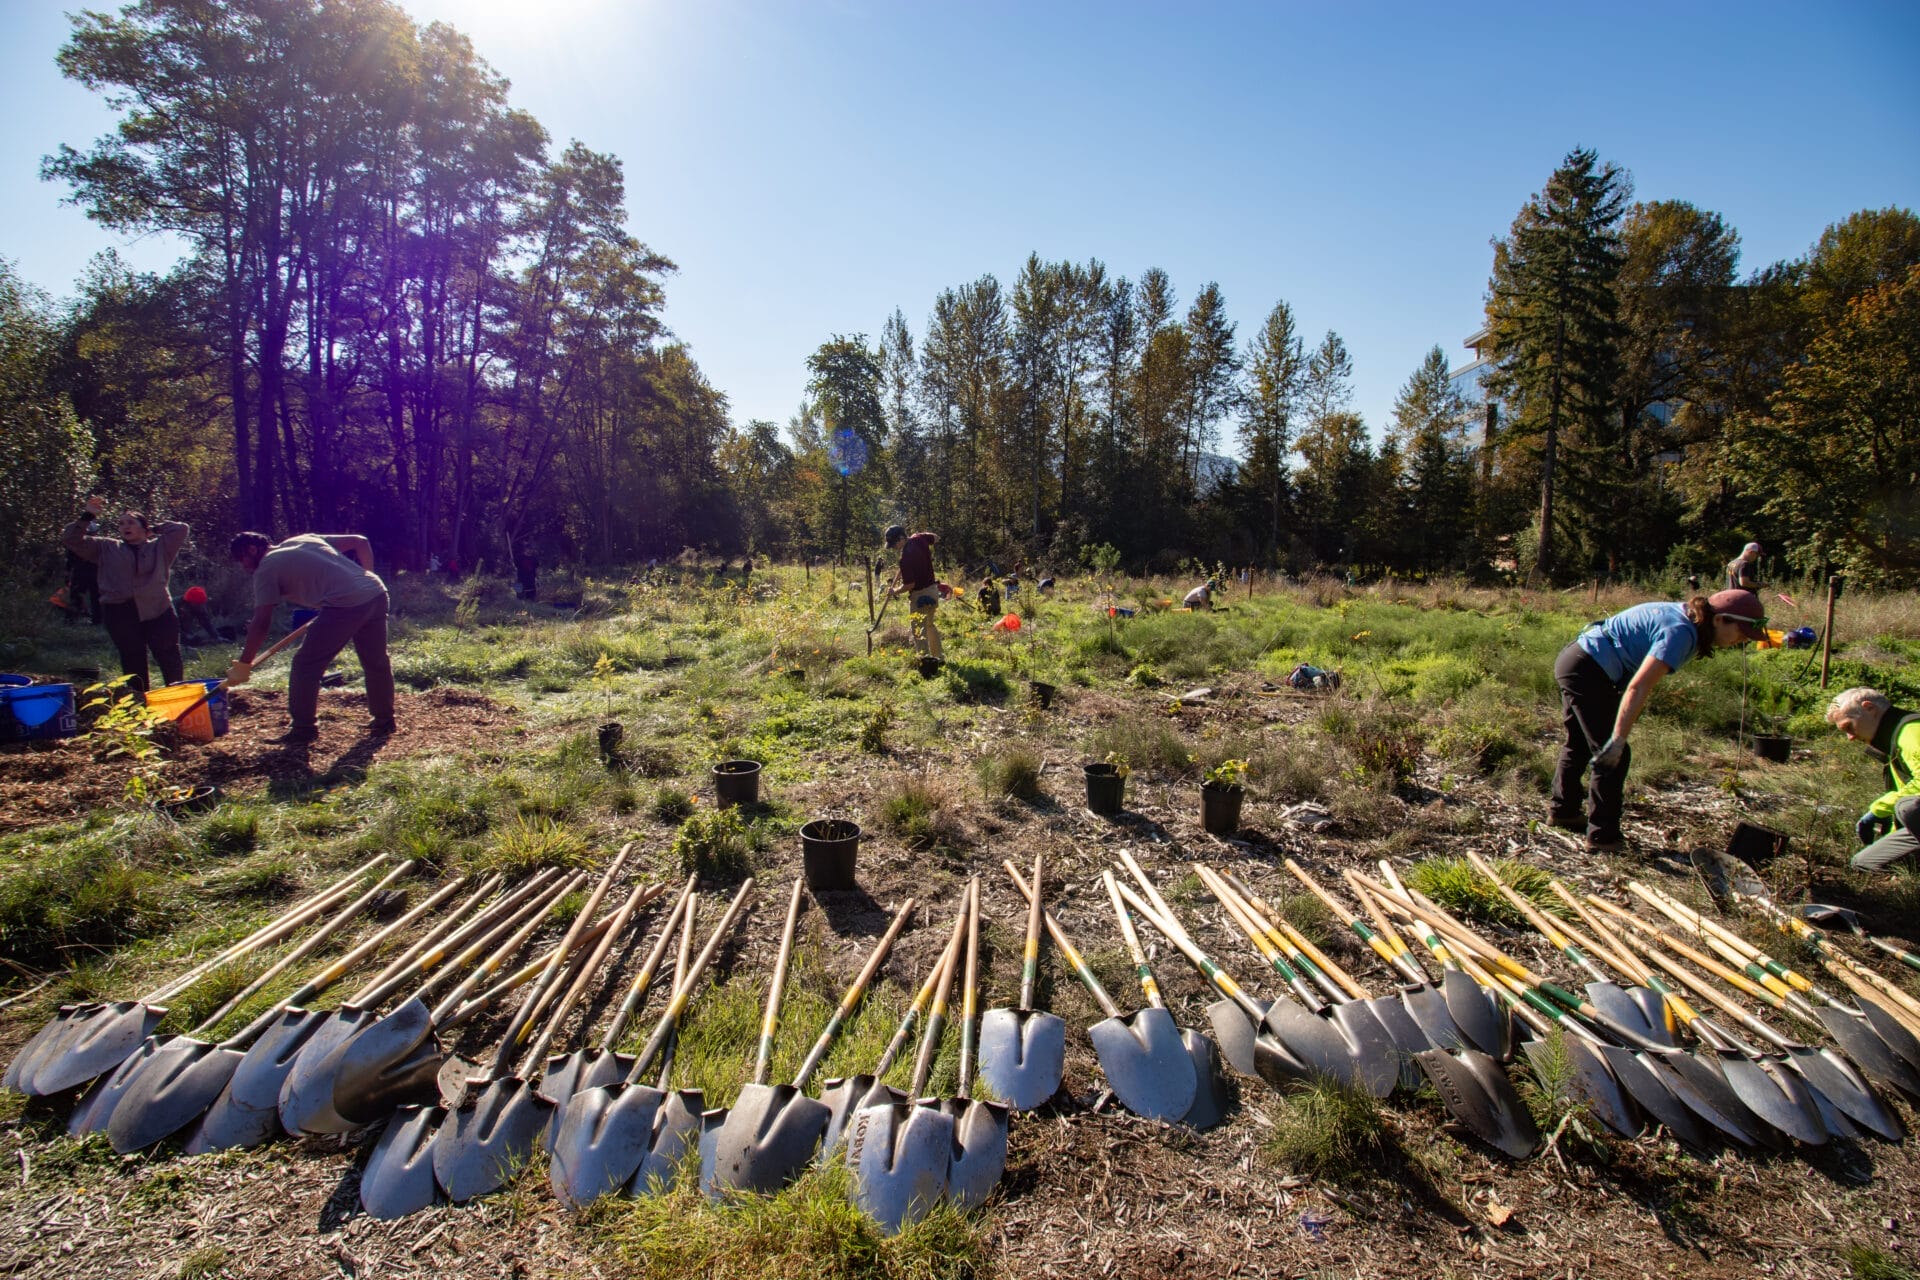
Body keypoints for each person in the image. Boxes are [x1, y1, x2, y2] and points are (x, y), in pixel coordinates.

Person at [1550, 589, 1769, 852]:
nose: (1743, 640)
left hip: (1578, 660)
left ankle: (1564, 812)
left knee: (1579, 743)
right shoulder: (1680, 633)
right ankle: (1603, 837)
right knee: (1613, 754)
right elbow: (1638, 687)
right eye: (1742, 633)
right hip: (1588, 668)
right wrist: (1618, 739)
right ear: (1720, 619)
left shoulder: (1688, 618)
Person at [226, 530, 395, 744]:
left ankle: (303, 729)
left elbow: (261, 622)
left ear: (252, 549)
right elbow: (360, 541)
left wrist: (244, 663)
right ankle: (384, 719)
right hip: (375, 592)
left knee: (305, 665)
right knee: (376, 661)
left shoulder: (266, 568)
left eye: (242, 559)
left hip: (346, 604)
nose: (244, 567)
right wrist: (362, 579)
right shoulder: (304, 540)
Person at [62, 495, 190, 693]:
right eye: (121, 524)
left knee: (169, 656)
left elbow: (181, 529)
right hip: (119, 611)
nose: (125, 527)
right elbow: (71, 539)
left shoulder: (160, 547)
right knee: (133, 660)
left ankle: (177, 698)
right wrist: (88, 516)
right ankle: (139, 702)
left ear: (143, 528)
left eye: (131, 523)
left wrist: (154, 529)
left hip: (158, 609)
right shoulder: (106, 547)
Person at [1825, 687, 1920, 873]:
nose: (1850, 737)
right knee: (1863, 862)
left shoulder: (1911, 731)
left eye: (1849, 727)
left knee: (1907, 806)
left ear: (1869, 708)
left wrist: (1879, 809)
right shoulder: (1891, 741)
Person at [883, 525, 942, 662]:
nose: (894, 547)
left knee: (918, 630)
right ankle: (939, 658)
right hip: (933, 591)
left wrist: (894, 591)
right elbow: (936, 538)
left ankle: (925, 661)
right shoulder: (919, 538)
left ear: (901, 538)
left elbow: (910, 585)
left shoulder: (905, 558)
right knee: (930, 625)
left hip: (920, 597)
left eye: (894, 544)